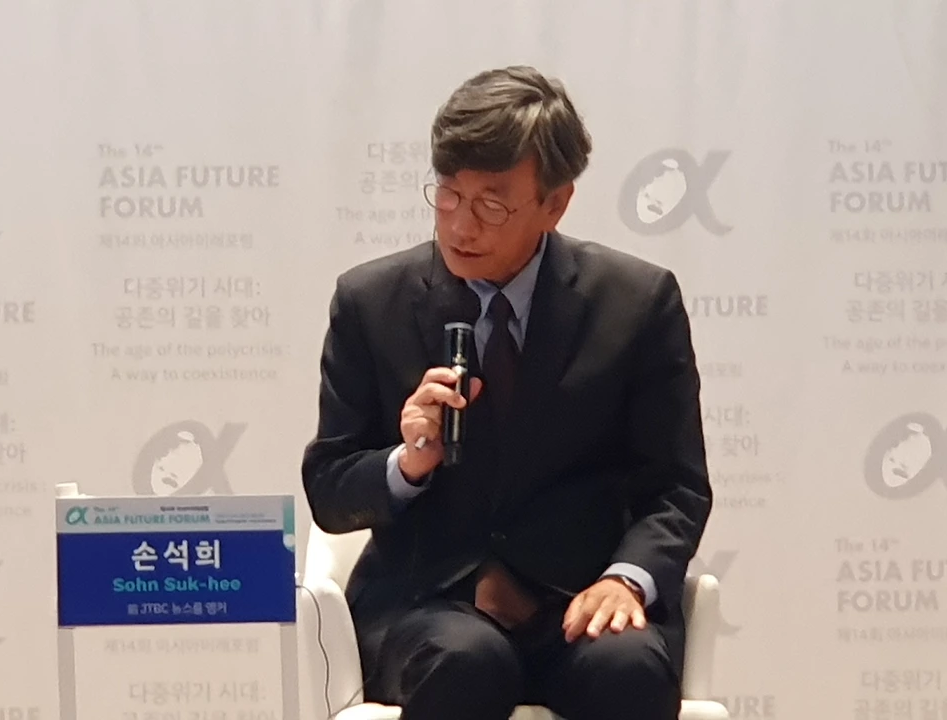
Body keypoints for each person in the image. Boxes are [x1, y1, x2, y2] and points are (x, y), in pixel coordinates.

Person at [301, 65, 712, 720]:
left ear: (555, 204)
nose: (461, 227)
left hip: (580, 598)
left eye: (491, 205)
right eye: (448, 195)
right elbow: (329, 488)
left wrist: (625, 580)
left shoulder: (636, 303)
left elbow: (677, 486)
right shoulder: (370, 302)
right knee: (467, 663)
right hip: (430, 606)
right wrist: (408, 464)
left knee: (627, 669)